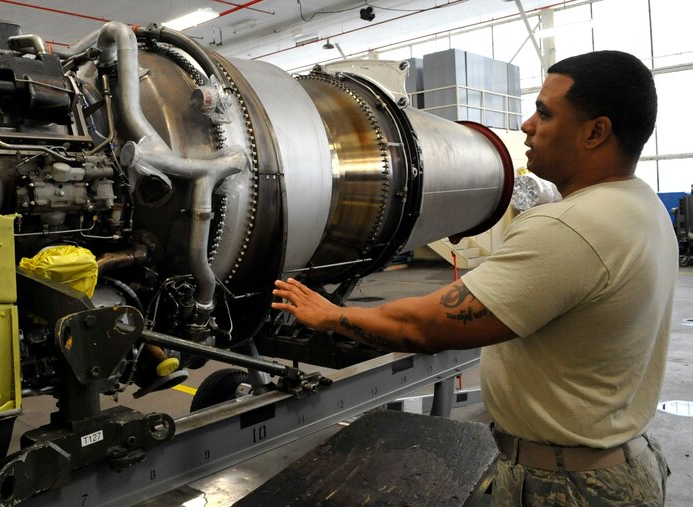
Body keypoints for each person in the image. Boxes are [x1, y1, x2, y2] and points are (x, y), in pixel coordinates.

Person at [272, 50, 674, 506]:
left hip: (567, 486)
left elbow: (423, 326)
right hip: (618, 463)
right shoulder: (643, 207)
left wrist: (330, 316)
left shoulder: (573, 227)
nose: (527, 125)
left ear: (595, 132)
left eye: (544, 113)